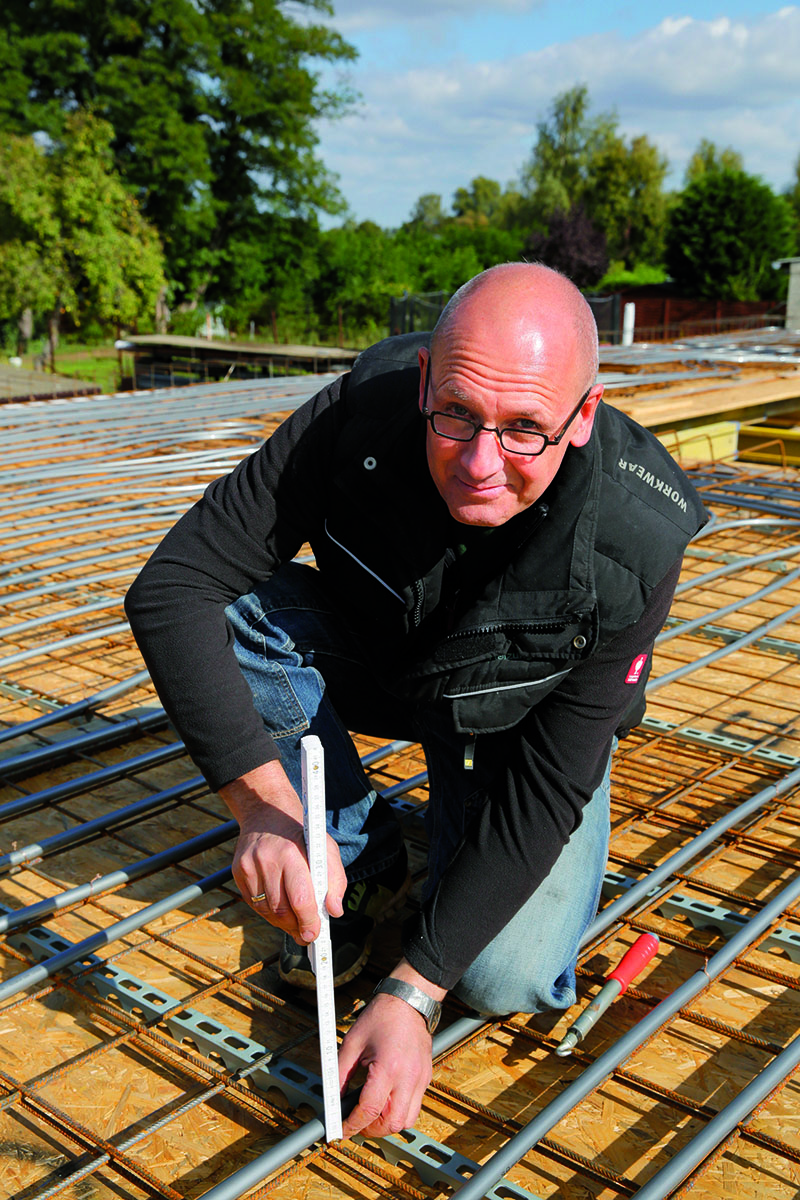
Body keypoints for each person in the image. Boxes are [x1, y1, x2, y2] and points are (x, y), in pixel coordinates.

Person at [125, 263, 707, 1140]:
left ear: (583, 416)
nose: (480, 463)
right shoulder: (359, 416)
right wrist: (266, 806)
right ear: (426, 378)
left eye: (525, 429)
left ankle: (452, 842)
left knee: (502, 978)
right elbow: (173, 587)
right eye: (457, 413)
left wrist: (415, 990)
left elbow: (550, 784)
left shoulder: (636, 539)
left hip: (521, 722)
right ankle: (360, 856)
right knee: (239, 613)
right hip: (394, 666)